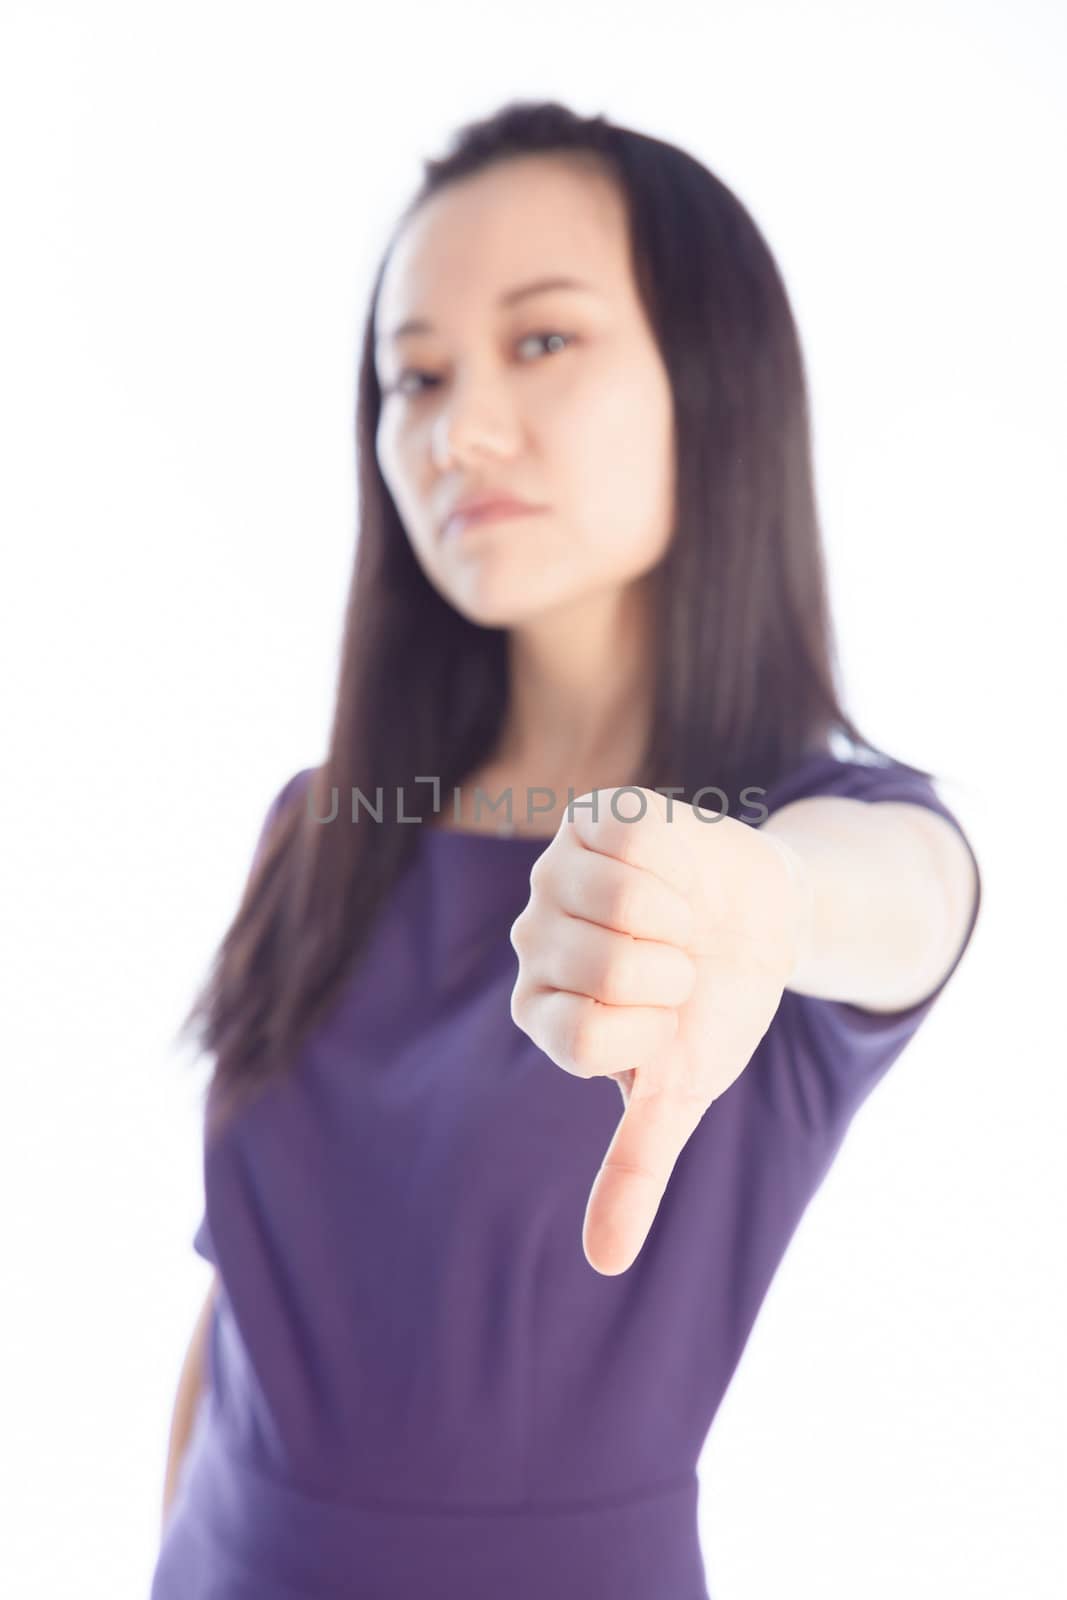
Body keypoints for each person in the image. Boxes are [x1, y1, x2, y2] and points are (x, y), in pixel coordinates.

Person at [149, 99, 982, 1600]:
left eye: (543, 342)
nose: (456, 428)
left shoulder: (783, 847)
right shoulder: (325, 821)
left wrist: (768, 903)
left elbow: (909, 896)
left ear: (714, 379)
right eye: (415, 376)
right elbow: (233, 1334)